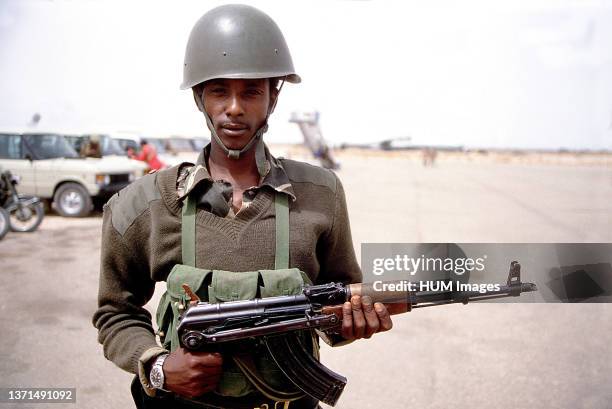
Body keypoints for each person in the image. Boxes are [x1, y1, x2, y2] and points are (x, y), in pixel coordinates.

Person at [92, 5, 394, 409]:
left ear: (273, 97)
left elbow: (338, 303)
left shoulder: (322, 194)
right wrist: (160, 365)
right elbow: (116, 311)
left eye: (251, 90)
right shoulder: (146, 203)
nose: (235, 106)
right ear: (200, 97)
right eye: (219, 89)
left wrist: (351, 324)